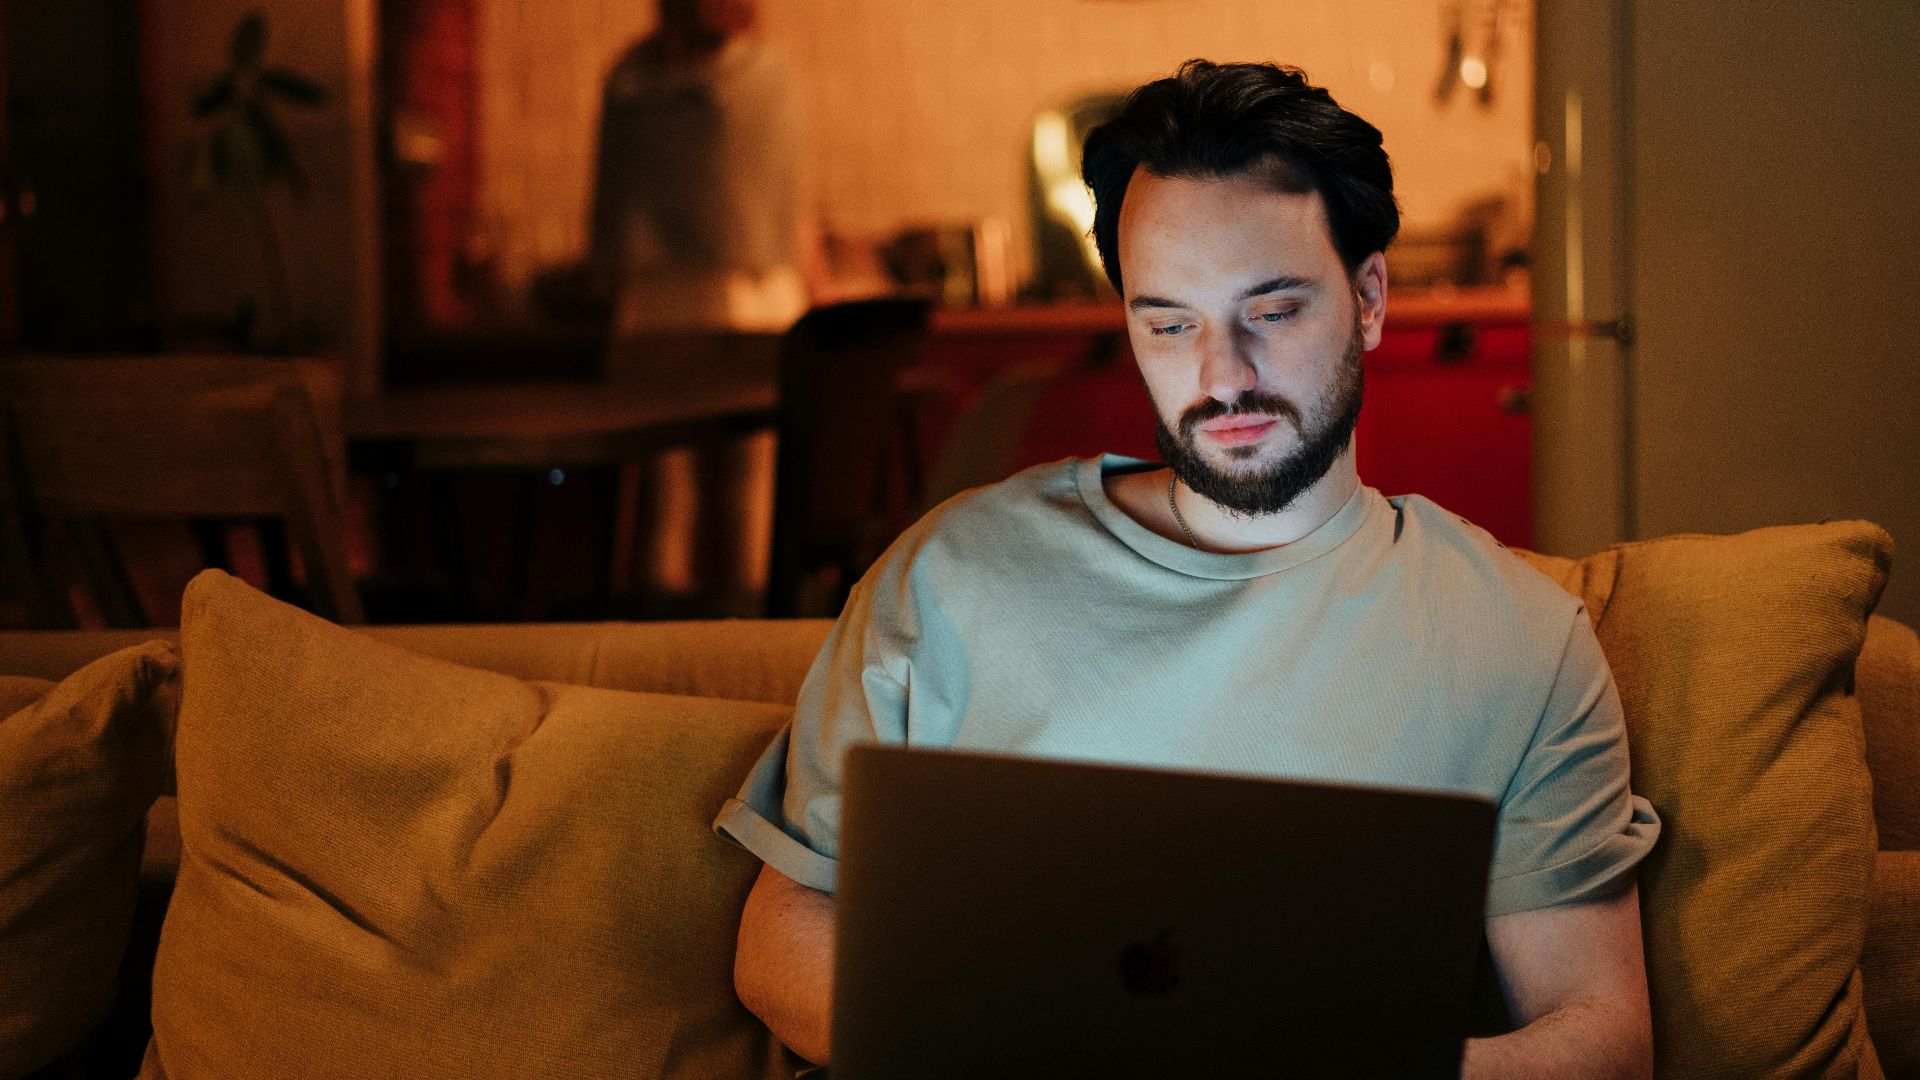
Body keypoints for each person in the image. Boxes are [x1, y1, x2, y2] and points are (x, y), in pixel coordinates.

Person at [712, 60, 1661, 1078]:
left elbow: (1601, 1035)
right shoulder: (950, 576)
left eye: (1275, 309)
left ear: (1370, 297)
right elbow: (780, 938)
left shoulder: (1514, 639)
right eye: (1170, 322)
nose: (1223, 374)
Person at [589, 0, 812, 609]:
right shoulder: (763, 75)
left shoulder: (628, 77)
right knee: (753, 488)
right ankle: (753, 639)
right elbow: (782, 200)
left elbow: (610, 200)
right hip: (751, 296)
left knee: (664, 488)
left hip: (653, 304)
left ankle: (661, 657)